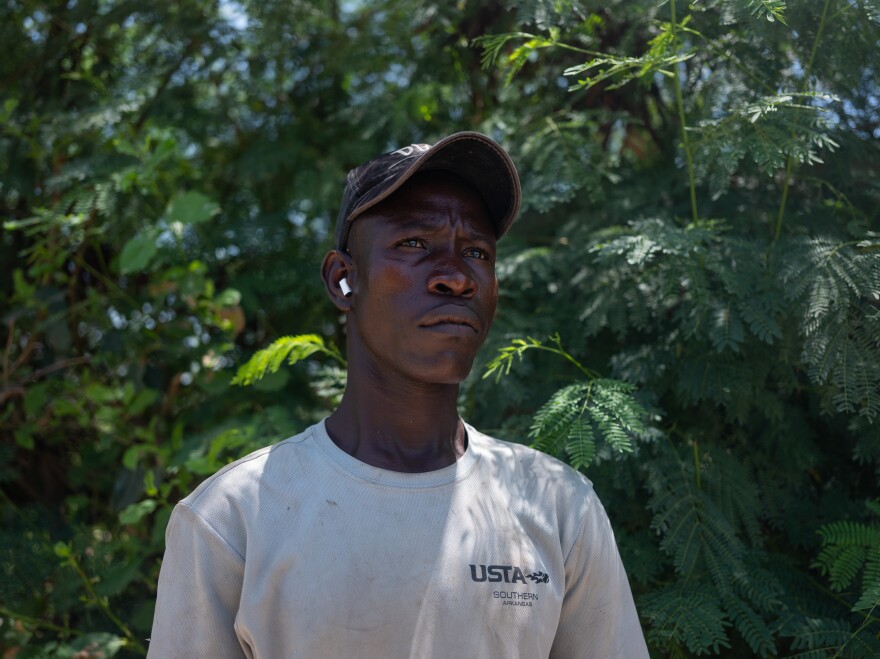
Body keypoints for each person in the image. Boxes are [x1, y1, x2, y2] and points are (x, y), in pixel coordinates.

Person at [148, 132, 649, 658]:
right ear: (343, 280)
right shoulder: (233, 521)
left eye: (476, 251)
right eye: (414, 243)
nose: (456, 277)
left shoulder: (557, 507)